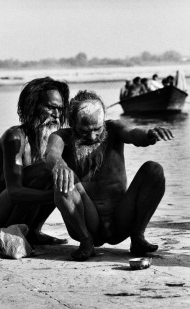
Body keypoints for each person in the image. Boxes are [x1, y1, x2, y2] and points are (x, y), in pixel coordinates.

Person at [45, 90, 174, 261]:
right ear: (73, 123)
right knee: (64, 178)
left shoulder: (114, 128)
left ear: (103, 121)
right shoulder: (61, 136)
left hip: (121, 220)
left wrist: (148, 134)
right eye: (84, 131)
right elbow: (51, 154)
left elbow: (133, 133)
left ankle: (138, 237)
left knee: (154, 170)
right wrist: (59, 164)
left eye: (97, 129)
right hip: (87, 223)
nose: (92, 136)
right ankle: (86, 242)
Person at [0, 77, 70, 246]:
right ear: (33, 106)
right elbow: (15, 192)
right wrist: (57, 197)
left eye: (60, 110)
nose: (56, 115)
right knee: (46, 169)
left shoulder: (53, 140)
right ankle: (10, 233)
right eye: (50, 108)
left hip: (18, 207)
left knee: (60, 171)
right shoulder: (14, 137)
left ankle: (32, 231)